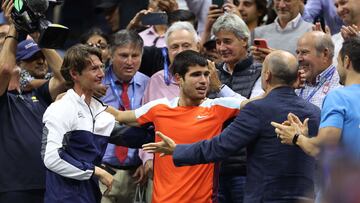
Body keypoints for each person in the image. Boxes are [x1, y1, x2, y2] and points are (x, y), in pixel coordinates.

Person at [143, 50, 321, 203]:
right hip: (305, 197)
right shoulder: (314, 112)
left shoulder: (257, 109)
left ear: (266, 76)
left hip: (264, 198)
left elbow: (219, 147)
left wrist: (178, 150)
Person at [108, 50, 247, 203]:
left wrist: (219, 86)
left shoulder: (218, 107)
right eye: (196, 75)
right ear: (178, 78)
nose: (204, 81)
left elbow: (256, 105)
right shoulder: (159, 108)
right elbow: (119, 116)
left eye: (206, 74)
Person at [0, 2, 65, 202]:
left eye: (40, 57)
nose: (40, 61)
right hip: (14, 187)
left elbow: (65, 77)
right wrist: (14, 27)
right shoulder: (3, 97)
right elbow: (4, 70)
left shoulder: (38, 94)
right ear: (17, 62)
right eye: (31, 58)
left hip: (51, 182)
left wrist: (39, 35)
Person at [41, 44, 115, 203]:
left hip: (90, 195)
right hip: (64, 198)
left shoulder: (99, 111)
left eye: (102, 67)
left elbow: (127, 134)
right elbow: (52, 158)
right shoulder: (61, 108)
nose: (102, 74)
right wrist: (97, 171)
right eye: (94, 69)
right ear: (74, 73)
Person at [271, 36, 360, 160]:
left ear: (346, 61)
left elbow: (321, 149)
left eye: (338, 62)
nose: (337, 68)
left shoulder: (339, 97)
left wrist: (296, 137)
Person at [100, 30, 150, 203]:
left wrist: (146, 160)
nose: (130, 62)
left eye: (135, 55)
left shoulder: (148, 84)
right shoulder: (96, 83)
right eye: (123, 55)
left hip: (136, 174)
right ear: (111, 55)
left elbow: (153, 126)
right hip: (102, 172)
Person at [295, 31, 341, 108]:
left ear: (325, 54)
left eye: (304, 52)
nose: (299, 58)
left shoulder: (340, 86)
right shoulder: (295, 83)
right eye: (297, 52)